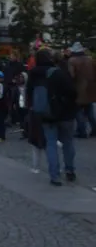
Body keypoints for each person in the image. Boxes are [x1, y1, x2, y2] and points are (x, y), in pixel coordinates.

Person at [26, 48, 77, 186]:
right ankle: (69, 170)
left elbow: (28, 94)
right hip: (65, 113)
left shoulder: (33, 74)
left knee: (50, 143)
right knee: (68, 142)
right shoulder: (58, 73)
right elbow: (72, 92)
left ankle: (54, 175)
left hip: (45, 113)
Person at [67, 42, 96, 138]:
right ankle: (94, 129)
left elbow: (72, 75)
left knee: (78, 111)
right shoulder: (90, 59)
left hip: (78, 88)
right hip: (90, 88)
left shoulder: (72, 61)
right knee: (90, 111)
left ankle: (82, 131)